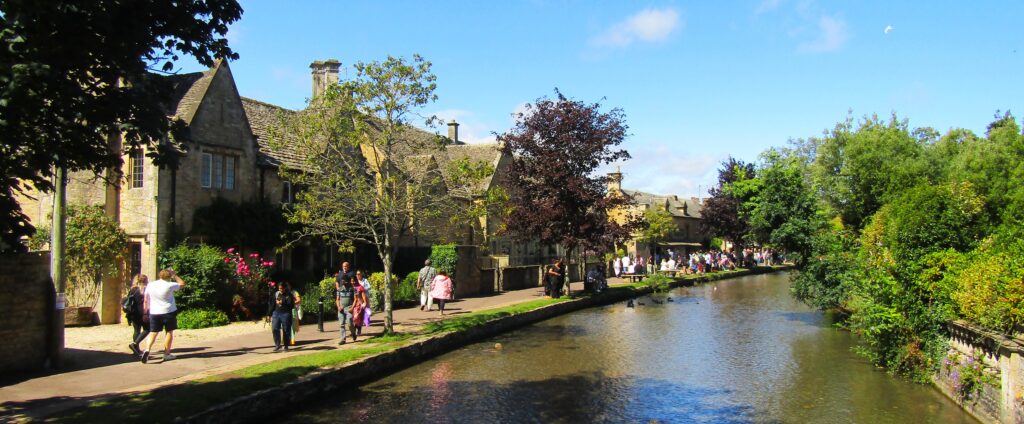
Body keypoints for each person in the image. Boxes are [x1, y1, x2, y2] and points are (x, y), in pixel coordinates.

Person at [140, 268, 186, 364]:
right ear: (169, 276)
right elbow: (182, 284)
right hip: (168, 311)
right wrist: (175, 275)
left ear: (160, 275)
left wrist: (145, 312)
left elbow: (146, 299)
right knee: (169, 332)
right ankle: (166, 353)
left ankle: (147, 349)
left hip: (154, 312)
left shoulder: (151, 285)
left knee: (153, 332)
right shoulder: (170, 285)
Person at [267, 281, 295, 352]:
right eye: (279, 288)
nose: (280, 290)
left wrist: (282, 302)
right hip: (276, 313)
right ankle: (277, 345)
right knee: (275, 328)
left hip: (286, 314)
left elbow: (291, 305)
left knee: (286, 330)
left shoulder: (289, 295)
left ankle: (286, 346)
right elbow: (272, 304)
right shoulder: (277, 294)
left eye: (282, 288)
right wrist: (269, 314)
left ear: (285, 288)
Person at [127, 274, 149, 356]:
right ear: (145, 280)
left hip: (133, 312)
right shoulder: (146, 289)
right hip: (143, 311)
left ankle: (136, 349)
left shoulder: (132, 290)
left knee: (136, 330)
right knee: (148, 328)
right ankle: (135, 344)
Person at [336, 275, 355, 345]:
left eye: (344, 280)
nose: (343, 282)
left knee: (349, 322)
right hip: (341, 308)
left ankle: (353, 333)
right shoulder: (339, 289)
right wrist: (338, 306)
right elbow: (337, 299)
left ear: (348, 281)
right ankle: (343, 339)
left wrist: (352, 308)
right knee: (341, 324)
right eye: (342, 280)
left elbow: (355, 299)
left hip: (349, 307)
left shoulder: (352, 289)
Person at [355, 270, 370, 336]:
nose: (358, 275)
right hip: (358, 299)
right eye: (357, 274)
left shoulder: (365, 280)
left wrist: (362, 288)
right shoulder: (355, 281)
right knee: (358, 312)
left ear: (361, 274)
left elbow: (369, 287)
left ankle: (366, 321)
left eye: (359, 274)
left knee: (366, 309)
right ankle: (359, 324)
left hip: (365, 297)